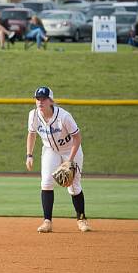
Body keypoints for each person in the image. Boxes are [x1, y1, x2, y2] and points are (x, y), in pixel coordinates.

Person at [25, 86, 90, 233]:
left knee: (73, 186)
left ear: (51, 101)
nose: (40, 101)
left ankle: (81, 219)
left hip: (70, 150)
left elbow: (77, 138)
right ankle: (47, 222)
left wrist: (70, 160)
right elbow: (31, 134)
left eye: (43, 98)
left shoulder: (64, 116)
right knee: (46, 183)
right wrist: (29, 154)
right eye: (37, 99)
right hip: (50, 150)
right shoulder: (33, 115)